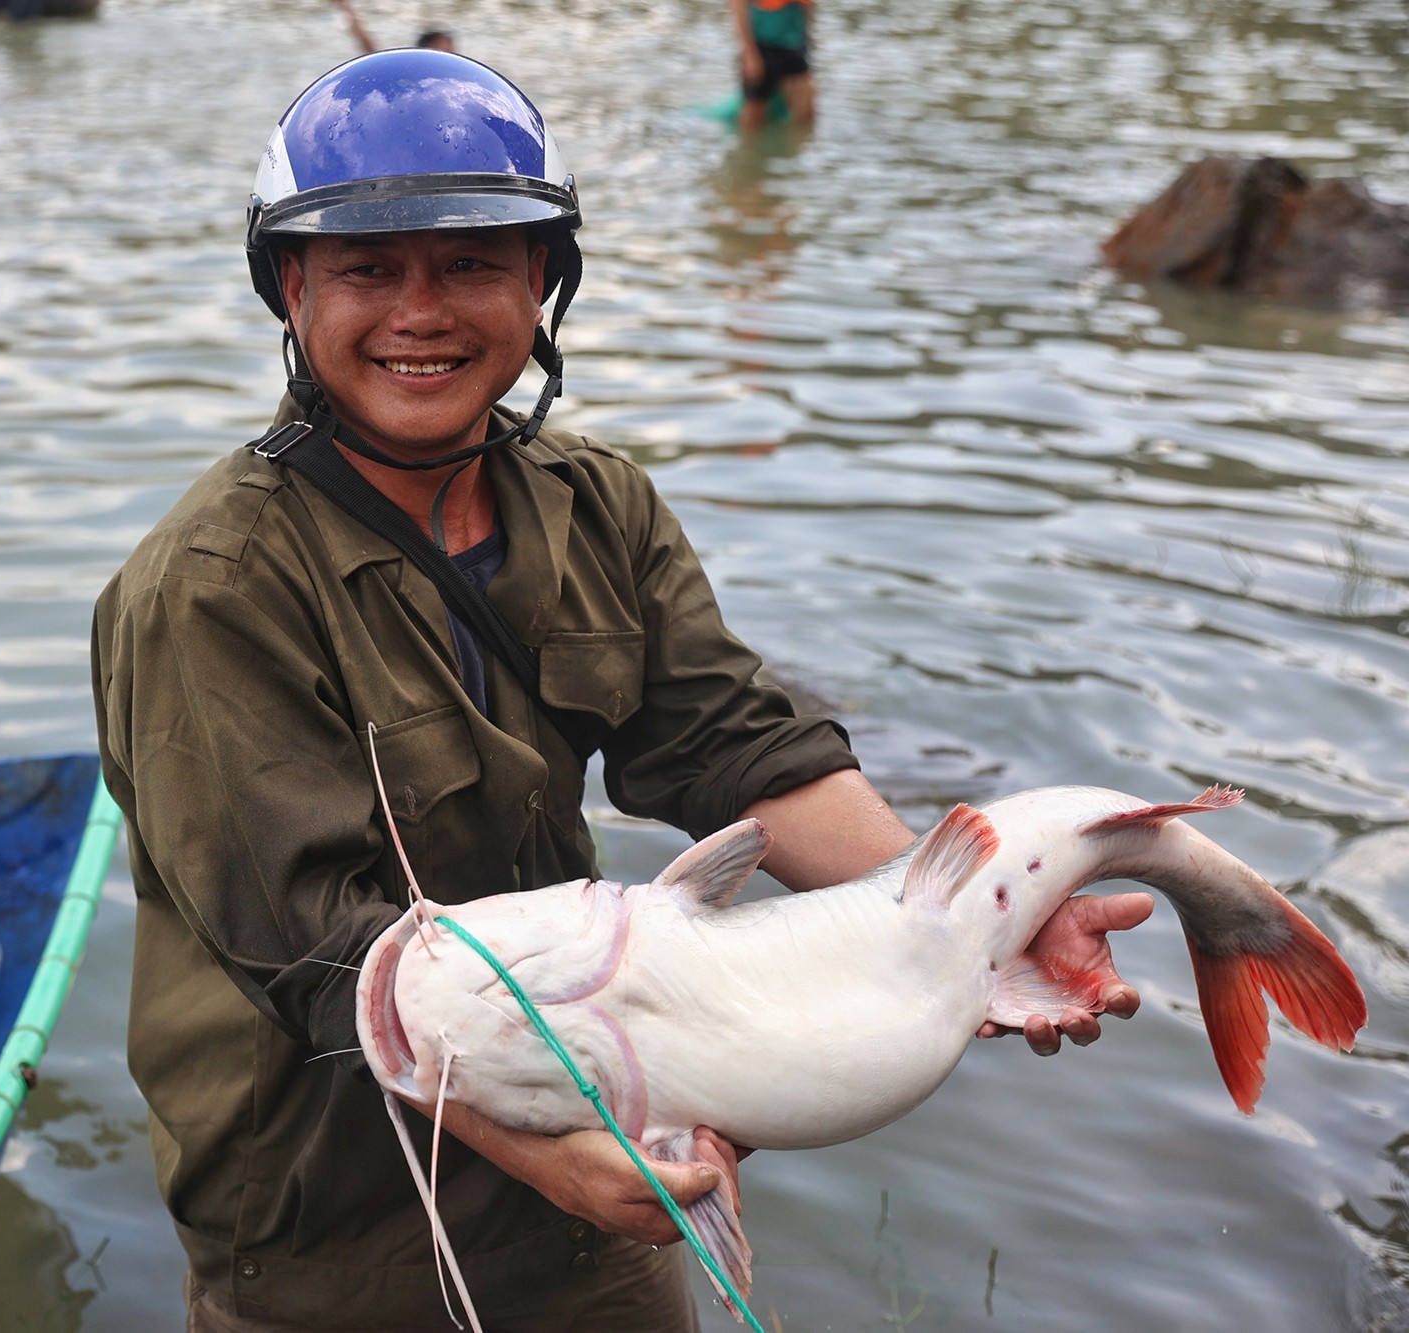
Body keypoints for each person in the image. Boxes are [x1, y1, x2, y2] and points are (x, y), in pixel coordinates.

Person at [91, 50, 1148, 1332]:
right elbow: (320, 951)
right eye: (367, 268)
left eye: (472, 263)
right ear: (291, 287)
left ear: (542, 283)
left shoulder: (596, 502)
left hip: (612, 1150)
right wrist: (554, 1153)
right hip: (339, 1217)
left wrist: (975, 916)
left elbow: (741, 750)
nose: (418, 313)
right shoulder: (211, 587)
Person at [729, 0, 815, 133]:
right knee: (753, 117)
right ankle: (747, 150)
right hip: (762, 47)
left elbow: (808, 8)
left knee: (806, 117)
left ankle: (795, 151)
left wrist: (807, 41)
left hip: (794, 45)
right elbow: (737, 7)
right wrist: (748, 55)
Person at [332, 0, 455, 55]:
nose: (452, 57)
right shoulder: (410, 74)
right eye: (445, 52)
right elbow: (371, 50)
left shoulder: (460, 80)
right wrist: (347, 7)